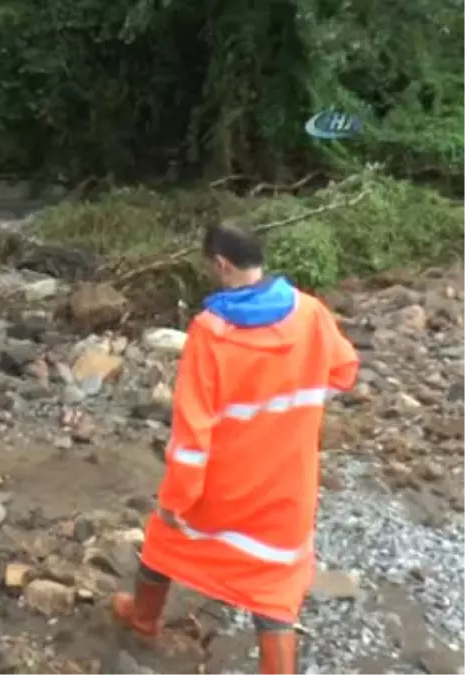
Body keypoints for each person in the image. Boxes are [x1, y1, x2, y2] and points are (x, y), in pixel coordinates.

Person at [112, 223, 359, 674]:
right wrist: (293, 415)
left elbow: (192, 433)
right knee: (274, 582)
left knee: (165, 539)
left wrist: (176, 498)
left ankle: (143, 618)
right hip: (288, 482)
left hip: (223, 486)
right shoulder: (311, 312)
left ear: (222, 265)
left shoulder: (211, 331)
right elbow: (344, 373)